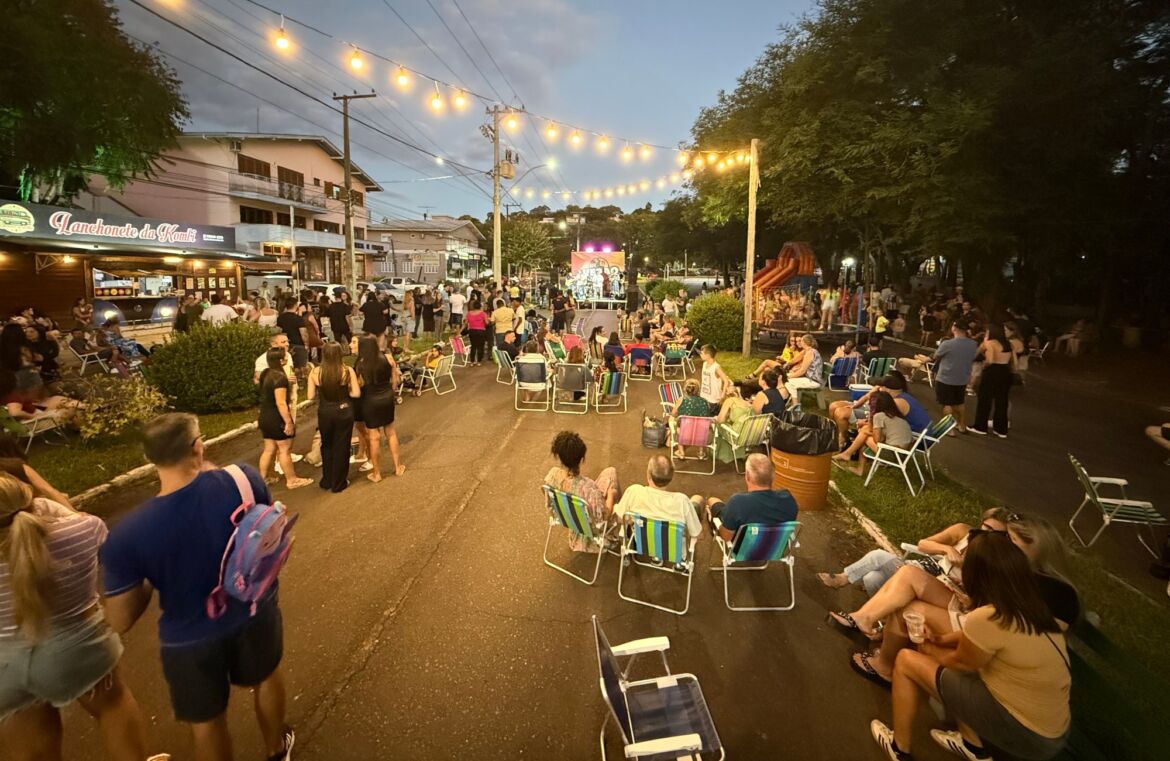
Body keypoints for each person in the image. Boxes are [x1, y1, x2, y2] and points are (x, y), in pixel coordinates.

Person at [100, 413, 295, 761]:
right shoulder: (242, 479)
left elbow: (121, 619)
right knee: (266, 677)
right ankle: (277, 750)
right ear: (198, 446)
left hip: (188, 638)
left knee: (207, 722)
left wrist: (152, 574)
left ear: (149, 458)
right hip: (253, 609)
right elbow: (266, 531)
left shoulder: (126, 535)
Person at [0, 473, 163, 761]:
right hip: (76, 650)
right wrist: (49, 492)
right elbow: (89, 532)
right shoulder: (84, 529)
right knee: (112, 705)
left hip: (5, 665)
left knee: (31, 736)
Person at [869, 532, 1071, 761]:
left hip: (1021, 731)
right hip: (1051, 733)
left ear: (975, 574)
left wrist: (925, 645)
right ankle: (972, 746)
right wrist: (938, 639)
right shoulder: (1030, 611)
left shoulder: (989, 616)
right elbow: (978, 642)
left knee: (907, 661)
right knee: (955, 671)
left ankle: (899, 748)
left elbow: (959, 664)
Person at [817, 508, 1012, 596]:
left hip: (945, 587)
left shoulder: (999, 556)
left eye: (996, 532)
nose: (989, 534)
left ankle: (843, 578)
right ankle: (882, 622)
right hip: (927, 569)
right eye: (987, 527)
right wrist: (947, 548)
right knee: (871, 579)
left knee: (878, 557)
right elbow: (923, 544)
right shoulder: (963, 531)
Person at [543, 431, 621, 551]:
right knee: (611, 475)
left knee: (609, 472)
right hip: (590, 528)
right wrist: (611, 495)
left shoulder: (552, 476)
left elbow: (549, 502)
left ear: (559, 456)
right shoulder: (588, 487)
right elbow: (604, 516)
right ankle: (615, 532)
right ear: (581, 458)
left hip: (570, 519)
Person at [693, 453, 798, 542]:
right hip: (773, 547)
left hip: (742, 548)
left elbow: (726, 537)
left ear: (747, 476)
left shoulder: (738, 502)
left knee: (712, 501)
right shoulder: (788, 499)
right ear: (773, 476)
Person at [306, 342, 360, 493]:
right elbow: (356, 393)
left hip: (325, 412)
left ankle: (327, 480)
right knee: (342, 446)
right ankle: (339, 482)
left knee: (327, 444)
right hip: (344, 410)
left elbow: (310, 396)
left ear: (324, 354)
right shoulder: (347, 371)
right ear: (339, 354)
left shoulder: (315, 372)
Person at [257, 348, 313, 490]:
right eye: (285, 357)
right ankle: (292, 480)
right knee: (284, 449)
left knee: (269, 449)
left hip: (265, 416)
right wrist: (288, 422)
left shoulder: (266, 374)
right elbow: (281, 403)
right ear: (281, 361)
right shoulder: (279, 378)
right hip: (276, 418)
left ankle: (262, 479)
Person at [612, 456, 702, 541]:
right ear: (671, 478)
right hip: (673, 548)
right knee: (697, 499)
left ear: (648, 475)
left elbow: (619, 518)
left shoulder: (634, 492)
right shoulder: (682, 501)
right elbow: (698, 534)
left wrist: (631, 520)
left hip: (641, 544)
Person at [355, 336, 404, 481]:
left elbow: (359, 384)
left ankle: (377, 473)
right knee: (391, 432)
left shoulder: (360, 364)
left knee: (374, 437)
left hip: (370, 400)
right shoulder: (388, 358)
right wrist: (390, 391)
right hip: (386, 397)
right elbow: (395, 380)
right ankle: (398, 467)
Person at [833, 391, 913, 475]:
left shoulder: (879, 416)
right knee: (865, 432)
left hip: (893, 455)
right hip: (904, 454)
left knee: (865, 434)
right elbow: (884, 436)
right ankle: (856, 466)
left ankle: (847, 454)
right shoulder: (896, 416)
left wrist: (869, 423)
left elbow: (877, 440)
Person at [931, 322, 980, 433]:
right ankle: (961, 424)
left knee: (947, 404)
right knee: (959, 402)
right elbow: (974, 357)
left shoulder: (947, 343)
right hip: (962, 378)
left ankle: (949, 429)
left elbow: (936, 356)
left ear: (954, 328)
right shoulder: (973, 344)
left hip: (945, 377)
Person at [971, 324, 1015, 438]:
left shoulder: (990, 343)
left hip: (992, 371)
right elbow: (1014, 361)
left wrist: (984, 366)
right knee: (1002, 401)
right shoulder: (1008, 344)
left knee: (985, 399)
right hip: (1005, 371)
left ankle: (980, 427)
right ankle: (1001, 429)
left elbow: (989, 360)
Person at [783, 334, 824, 400]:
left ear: (805, 342)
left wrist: (788, 377)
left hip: (813, 380)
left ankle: (794, 403)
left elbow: (802, 371)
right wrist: (787, 364)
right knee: (785, 379)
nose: (799, 343)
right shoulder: (806, 351)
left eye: (801, 341)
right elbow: (795, 359)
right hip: (809, 378)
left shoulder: (810, 352)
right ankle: (788, 399)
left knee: (788, 382)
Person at [276, 297, 309, 373]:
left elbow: (279, 331)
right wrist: (306, 344)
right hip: (298, 344)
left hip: (285, 345)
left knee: (288, 367)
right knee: (301, 368)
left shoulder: (280, 318)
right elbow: (304, 333)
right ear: (296, 305)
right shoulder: (298, 318)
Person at [699, 345, 733, 414]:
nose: (700, 354)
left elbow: (726, 380)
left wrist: (723, 394)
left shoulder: (716, 367)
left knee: (712, 416)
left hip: (713, 400)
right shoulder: (704, 364)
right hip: (704, 396)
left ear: (708, 355)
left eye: (702, 353)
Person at [464, 297, 489, 366]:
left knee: (473, 346)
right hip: (481, 331)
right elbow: (487, 323)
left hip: (472, 331)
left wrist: (459, 332)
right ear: (480, 306)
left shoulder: (469, 313)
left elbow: (465, 323)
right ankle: (479, 361)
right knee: (480, 346)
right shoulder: (483, 313)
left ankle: (472, 361)